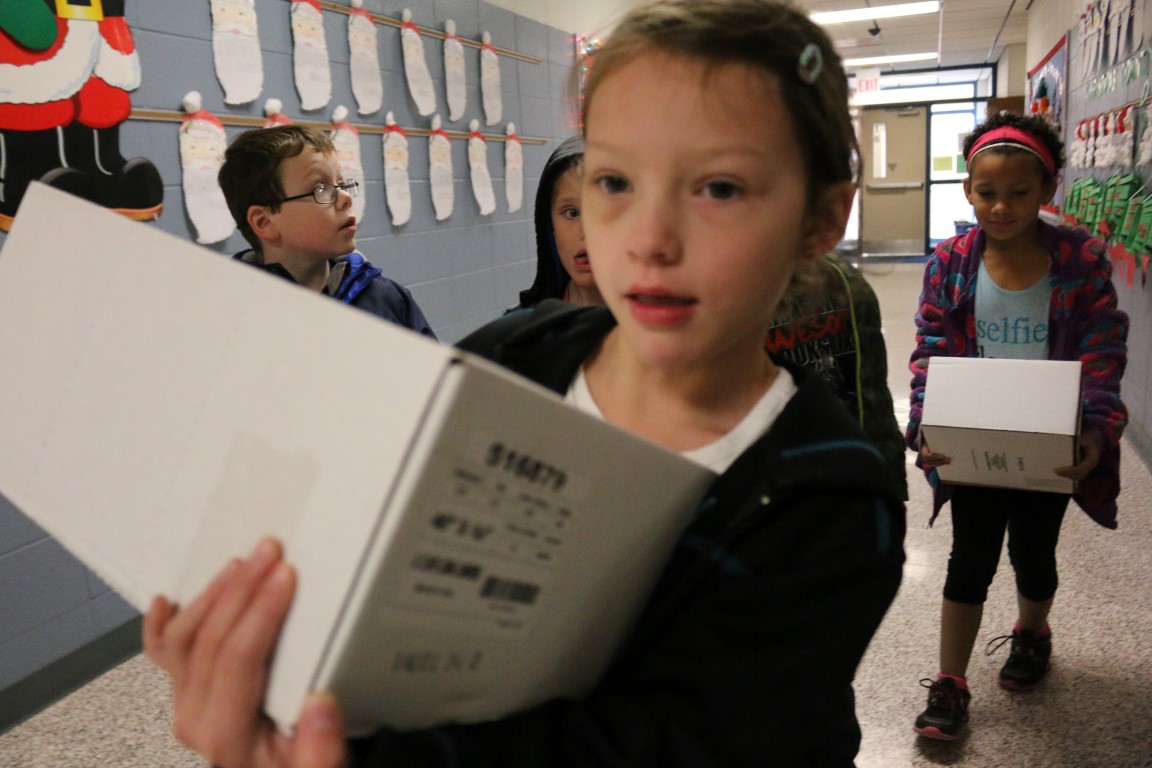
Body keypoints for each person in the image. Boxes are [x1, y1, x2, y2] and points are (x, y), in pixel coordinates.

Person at [143, 2, 906, 766]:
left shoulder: (828, 498)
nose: (648, 239)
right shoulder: (513, 357)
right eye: (614, 180)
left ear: (820, 218)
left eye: (720, 188)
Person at [906, 112, 1128, 741]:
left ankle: (1033, 632)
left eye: (1019, 192)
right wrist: (926, 424)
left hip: (1047, 441)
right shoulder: (950, 262)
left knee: (1034, 552)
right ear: (968, 191)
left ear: (1048, 189)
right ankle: (950, 681)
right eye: (986, 192)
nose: (1001, 207)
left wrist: (1094, 431)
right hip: (975, 440)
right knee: (967, 559)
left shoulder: (1080, 261)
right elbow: (929, 348)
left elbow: (1102, 350)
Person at [219, 124, 436, 338]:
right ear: (264, 222)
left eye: (341, 184)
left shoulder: (388, 299)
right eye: (320, 189)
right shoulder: (228, 317)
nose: (346, 198)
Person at [766, 251, 909, 499]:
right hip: (773, 476)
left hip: (844, 460)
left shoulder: (844, 279)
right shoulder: (730, 291)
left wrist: (888, 481)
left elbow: (871, 394)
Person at [506, 135, 603, 312]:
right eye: (572, 213)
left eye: (602, 211)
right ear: (551, 226)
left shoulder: (656, 326)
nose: (585, 231)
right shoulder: (526, 326)